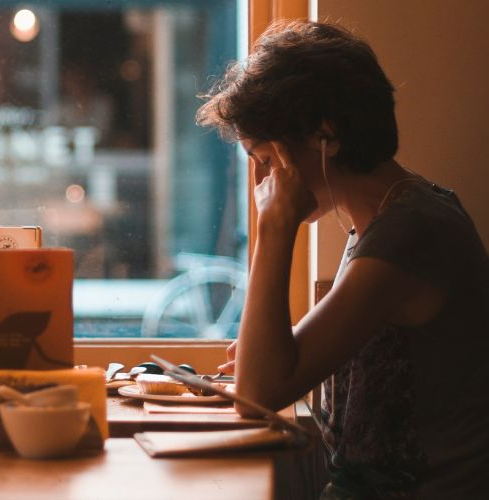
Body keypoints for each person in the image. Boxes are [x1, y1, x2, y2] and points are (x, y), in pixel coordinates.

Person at [196, 20, 489, 498]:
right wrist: (262, 354)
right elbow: (273, 370)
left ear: (325, 134)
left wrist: (274, 227)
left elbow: (257, 394)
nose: (261, 185)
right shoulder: (387, 221)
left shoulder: (409, 231)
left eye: (265, 160)